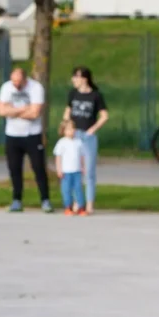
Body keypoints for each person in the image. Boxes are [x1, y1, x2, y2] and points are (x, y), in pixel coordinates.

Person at [0, 67, 53, 213]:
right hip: (13, 135)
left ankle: (45, 200)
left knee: (38, 168)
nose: (15, 85)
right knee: (14, 168)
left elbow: (35, 113)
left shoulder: (36, 88)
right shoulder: (6, 87)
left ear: (25, 79)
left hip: (32, 134)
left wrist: (12, 110)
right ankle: (17, 200)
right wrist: (23, 109)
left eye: (18, 82)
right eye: (13, 81)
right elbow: (1, 111)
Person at [63, 66, 108, 215]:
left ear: (84, 79)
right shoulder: (73, 94)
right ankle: (78, 202)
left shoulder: (95, 96)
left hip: (87, 136)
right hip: (73, 136)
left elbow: (104, 116)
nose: (73, 80)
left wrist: (92, 130)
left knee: (88, 172)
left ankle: (89, 204)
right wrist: (66, 127)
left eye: (76, 77)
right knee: (75, 171)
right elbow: (67, 112)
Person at [53, 119, 87, 215]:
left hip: (76, 170)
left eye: (72, 129)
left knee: (78, 189)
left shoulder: (78, 142)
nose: (71, 131)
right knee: (66, 190)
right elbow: (58, 157)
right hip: (66, 171)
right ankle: (68, 207)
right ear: (63, 131)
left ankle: (80, 207)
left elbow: (81, 156)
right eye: (68, 129)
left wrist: (83, 167)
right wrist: (59, 169)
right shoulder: (61, 143)